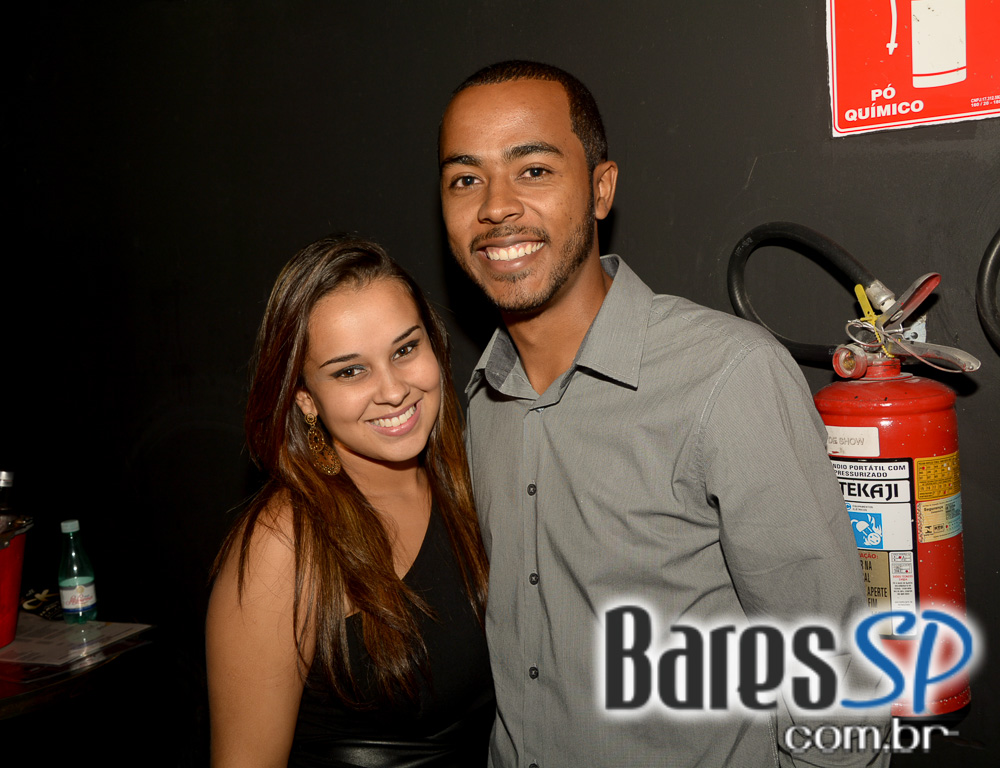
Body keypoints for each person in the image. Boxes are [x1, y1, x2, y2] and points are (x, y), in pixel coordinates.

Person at [438, 61, 887, 767]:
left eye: (534, 170)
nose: (496, 206)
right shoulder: (480, 403)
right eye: (466, 179)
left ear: (601, 189)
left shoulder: (727, 377)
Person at [206, 235, 494, 768]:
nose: (393, 390)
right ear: (305, 400)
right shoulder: (284, 545)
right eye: (350, 371)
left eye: (405, 350)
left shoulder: (469, 483)